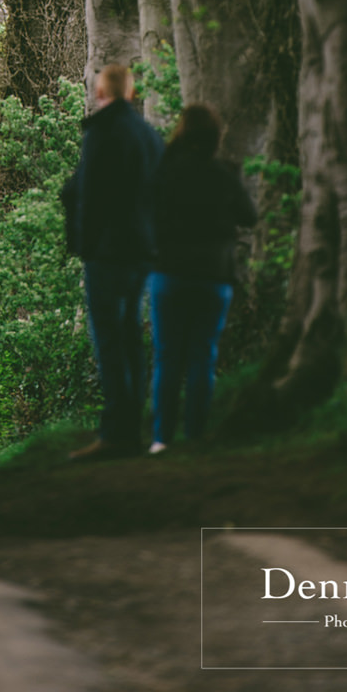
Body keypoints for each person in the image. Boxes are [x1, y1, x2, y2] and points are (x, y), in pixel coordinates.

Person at [63, 62, 164, 457]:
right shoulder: (149, 135)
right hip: (143, 250)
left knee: (109, 339)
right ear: (132, 94)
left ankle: (115, 433)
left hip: (108, 251)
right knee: (129, 338)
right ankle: (131, 427)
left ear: (101, 94)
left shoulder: (102, 132)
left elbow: (91, 195)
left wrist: (83, 246)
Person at [147, 104, 256, 452]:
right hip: (214, 275)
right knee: (202, 357)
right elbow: (250, 216)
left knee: (167, 358)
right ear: (215, 136)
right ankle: (195, 435)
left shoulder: (164, 171)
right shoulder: (224, 173)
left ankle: (161, 438)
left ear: (181, 131)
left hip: (169, 273)